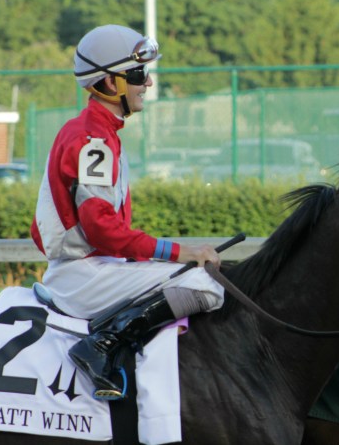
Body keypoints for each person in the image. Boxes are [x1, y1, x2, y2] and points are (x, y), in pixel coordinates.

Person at [30, 24, 225, 400]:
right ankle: (103, 344)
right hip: (81, 276)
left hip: (91, 267)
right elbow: (102, 230)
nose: (147, 83)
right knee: (205, 286)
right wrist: (182, 252)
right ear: (108, 83)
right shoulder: (93, 139)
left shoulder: (98, 132)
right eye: (137, 74)